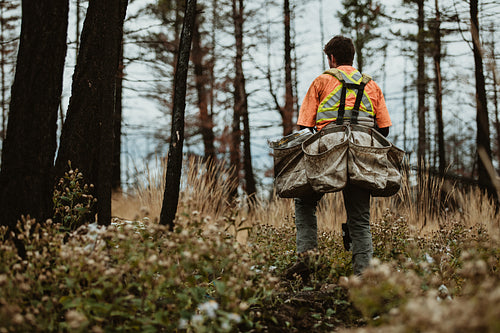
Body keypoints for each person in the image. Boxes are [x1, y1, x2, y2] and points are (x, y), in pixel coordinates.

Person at [284, 35, 392, 281]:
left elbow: (305, 125)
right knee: (360, 219)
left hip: (328, 152)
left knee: (305, 203)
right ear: (351, 57)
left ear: (332, 58)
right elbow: (384, 129)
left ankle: (307, 260)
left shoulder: (322, 81)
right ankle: (363, 279)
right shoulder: (372, 85)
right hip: (361, 155)